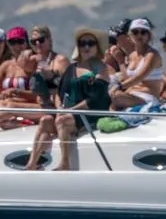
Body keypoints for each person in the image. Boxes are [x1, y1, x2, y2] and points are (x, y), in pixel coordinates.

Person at [25, 27, 111, 171]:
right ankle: (32, 164)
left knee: (62, 120)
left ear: (97, 47)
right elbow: (61, 92)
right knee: (46, 120)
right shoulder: (72, 68)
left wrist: (70, 111)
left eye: (91, 43)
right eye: (83, 43)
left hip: (91, 113)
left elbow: (95, 99)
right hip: (72, 113)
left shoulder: (101, 69)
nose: (86, 47)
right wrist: (60, 108)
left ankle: (65, 163)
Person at [110, 17, 163, 109]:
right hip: (132, 95)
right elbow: (128, 78)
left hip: (148, 97)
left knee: (117, 97)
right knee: (111, 99)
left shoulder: (152, 55)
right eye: (135, 32)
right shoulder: (132, 55)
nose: (139, 35)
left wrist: (118, 86)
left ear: (149, 35)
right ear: (130, 36)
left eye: (143, 32)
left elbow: (139, 77)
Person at [28, 24, 69, 109]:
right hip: (41, 105)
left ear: (49, 40)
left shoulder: (60, 60)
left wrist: (52, 77)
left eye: (41, 40)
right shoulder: (33, 62)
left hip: (58, 105)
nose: (37, 43)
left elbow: (70, 86)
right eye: (33, 41)